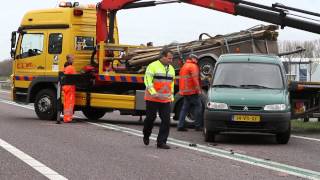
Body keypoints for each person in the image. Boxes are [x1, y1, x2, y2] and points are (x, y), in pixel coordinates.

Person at [143, 48, 175, 149]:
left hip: (165, 99)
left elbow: (172, 83)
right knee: (150, 118)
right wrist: (153, 93)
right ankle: (146, 134)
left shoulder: (171, 69)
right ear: (162, 57)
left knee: (166, 120)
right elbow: (147, 80)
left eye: (171, 59)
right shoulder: (152, 66)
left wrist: (172, 95)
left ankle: (161, 142)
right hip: (152, 98)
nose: (171, 60)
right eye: (169, 58)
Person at [177, 54, 203, 131]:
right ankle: (198, 126)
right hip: (192, 91)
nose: (197, 60)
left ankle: (180, 125)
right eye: (196, 59)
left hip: (185, 91)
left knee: (185, 108)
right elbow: (195, 79)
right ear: (192, 58)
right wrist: (198, 90)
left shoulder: (184, 66)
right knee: (199, 106)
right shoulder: (193, 66)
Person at [63, 54, 76, 123]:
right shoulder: (71, 68)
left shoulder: (66, 67)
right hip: (70, 88)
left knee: (66, 103)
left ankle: (66, 117)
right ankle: (68, 118)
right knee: (70, 103)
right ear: (69, 59)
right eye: (72, 58)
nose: (73, 59)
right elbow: (75, 77)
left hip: (66, 87)